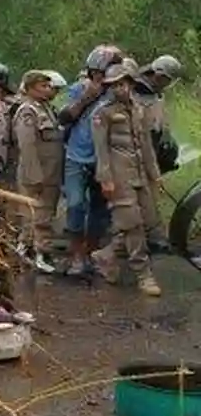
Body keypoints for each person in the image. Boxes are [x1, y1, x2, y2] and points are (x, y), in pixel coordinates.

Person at [91, 60, 162, 296]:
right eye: (113, 85)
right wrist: (105, 179)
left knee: (148, 221)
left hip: (140, 173)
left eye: (122, 83)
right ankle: (144, 274)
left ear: (130, 83)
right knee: (132, 226)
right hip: (118, 175)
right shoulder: (103, 113)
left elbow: (146, 145)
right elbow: (100, 150)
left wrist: (155, 174)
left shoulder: (139, 108)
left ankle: (106, 255)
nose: (118, 88)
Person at [58, 44, 125, 277]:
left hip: (104, 159)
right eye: (94, 71)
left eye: (102, 71)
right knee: (75, 204)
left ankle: (92, 252)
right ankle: (76, 254)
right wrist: (86, 99)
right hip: (76, 156)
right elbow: (64, 117)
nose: (97, 76)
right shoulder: (78, 89)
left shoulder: (118, 94)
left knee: (100, 209)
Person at [13, 70, 65, 274]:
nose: (48, 90)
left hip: (51, 172)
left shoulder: (47, 109)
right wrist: (35, 176)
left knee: (44, 213)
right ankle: (40, 253)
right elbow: (27, 146)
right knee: (37, 215)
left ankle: (26, 248)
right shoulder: (28, 111)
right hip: (37, 174)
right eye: (43, 86)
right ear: (31, 88)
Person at [135, 54, 184, 250]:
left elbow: (160, 123)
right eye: (167, 80)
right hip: (137, 152)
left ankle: (150, 237)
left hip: (154, 150)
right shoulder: (137, 92)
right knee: (139, 198)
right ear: (160, 76)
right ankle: (136, 241)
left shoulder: (156, 93)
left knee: (151, 195)